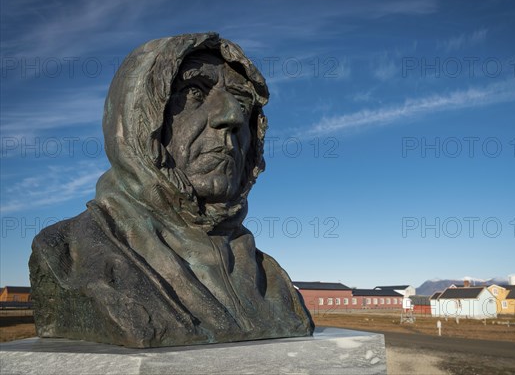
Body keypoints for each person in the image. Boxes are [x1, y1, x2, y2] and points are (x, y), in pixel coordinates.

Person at [29, 33, 314, 348]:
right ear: (135, 116)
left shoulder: (274, 284)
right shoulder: (66, 252)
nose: (231, 115)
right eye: (193, 90)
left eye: (242, 101)